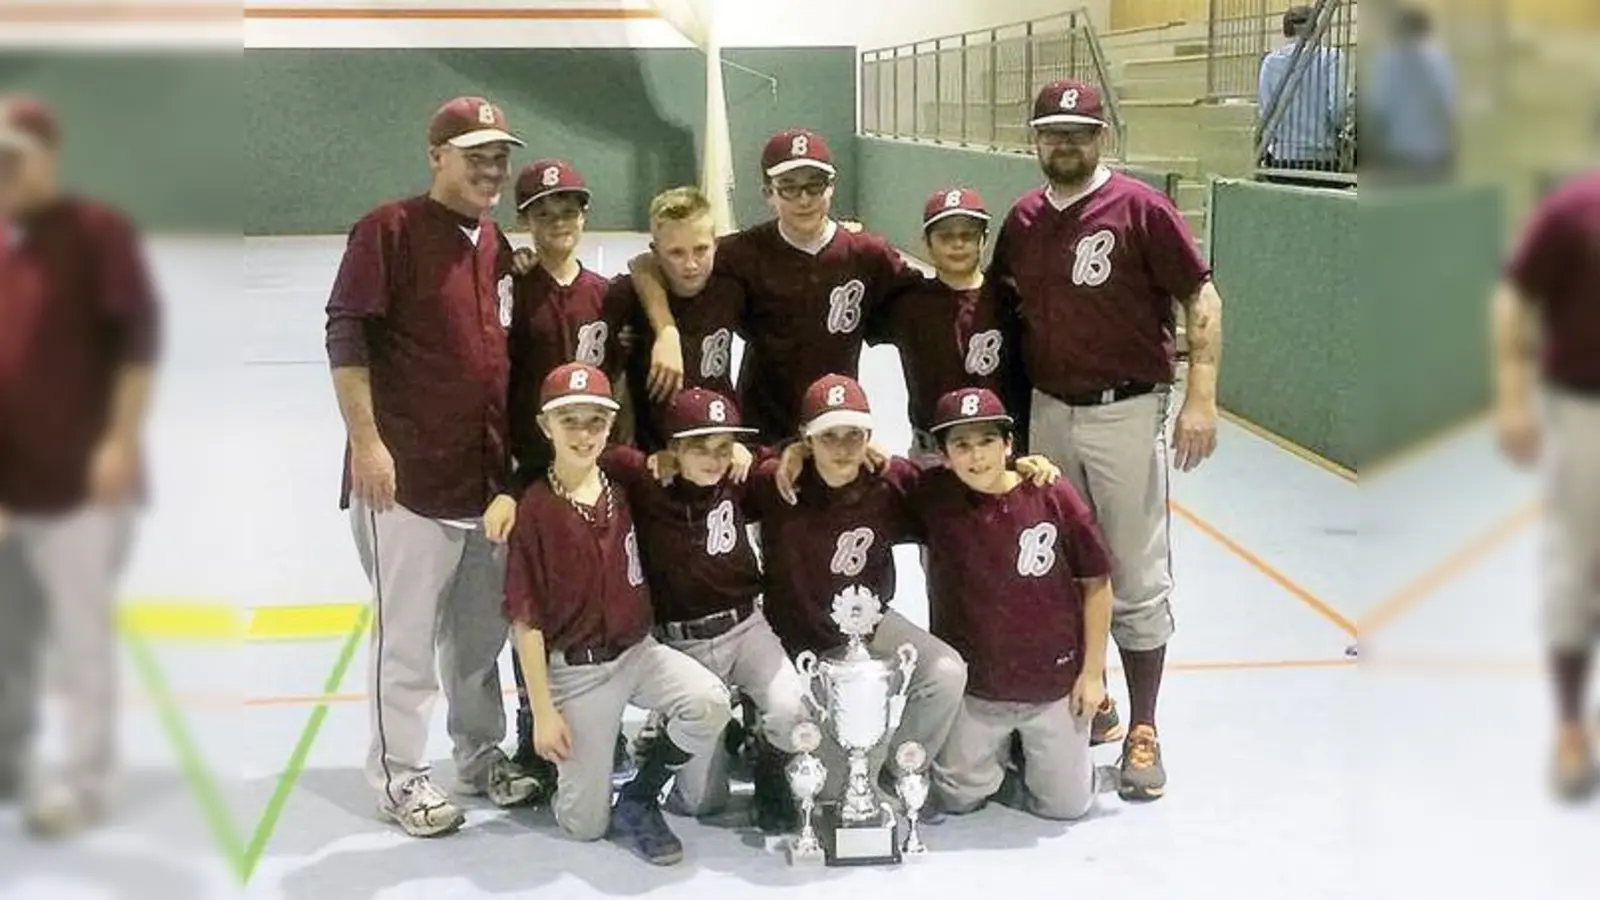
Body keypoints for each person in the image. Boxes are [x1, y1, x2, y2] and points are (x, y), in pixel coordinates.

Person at [989, 78, 1225, 802]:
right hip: (1048, 410)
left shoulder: (1141, 208)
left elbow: (1201, 295)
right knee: (1055, 563)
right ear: (1034, 139)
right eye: (1051, 132)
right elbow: (1000, 310)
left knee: (1133, 568)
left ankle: (1145, 727)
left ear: (1102, 138)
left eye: (1078, 131)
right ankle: (1089, 702)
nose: (1064, 143)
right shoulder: (1024, 218)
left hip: (1125, 409)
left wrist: (1202, 395)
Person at [323, 96, 540, 838]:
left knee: (476, 644)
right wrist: (366, 443)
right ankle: (399, 778)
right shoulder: (389, 230)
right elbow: (346, 336)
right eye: (474, 152)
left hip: (482, 485)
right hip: (405, 482)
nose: (491, 167)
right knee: (407, 643)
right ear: (436, 155)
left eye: (499, 155)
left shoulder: (493, 243)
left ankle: (477, 759)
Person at [0, 94, 161, 838]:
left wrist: (118, 445)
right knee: (10, 635)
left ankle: (86, 779)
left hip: (82, 486)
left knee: (77, 640)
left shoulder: (96, 234)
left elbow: (135, 347)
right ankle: (9, 759)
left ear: (47, 156)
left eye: (13, 158)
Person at [505, 362, 733, 865]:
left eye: (595, 422)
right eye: (570, 421)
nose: (584, 434)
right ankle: (572, 767)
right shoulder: (535, 510)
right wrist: (542, 712)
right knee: (585, 827)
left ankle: (641, 792)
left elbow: (680, 458)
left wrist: (732, 448)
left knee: (709, 702)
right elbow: (525, 621)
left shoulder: (624, 477)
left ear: (610, 426)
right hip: (579, 672)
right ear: (546, 427)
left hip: (640, 652)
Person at [598, 387, 810, 833]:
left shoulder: (736, 476)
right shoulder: (647, 481)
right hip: (682, 640)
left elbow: (785, 459)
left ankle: (769, 771)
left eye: (721, 446)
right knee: (701, 803)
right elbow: (602, 455)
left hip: (745, 625)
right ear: (673, 447)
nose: (713, 459)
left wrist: (781, 453)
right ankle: (676, 729)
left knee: (792, 710)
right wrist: (652, 458)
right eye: (698, 446)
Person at [628, 128, 923, 442]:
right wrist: (666, 331)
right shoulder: (742, 251)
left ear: (831, 188)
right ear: (768, 193)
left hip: (833, 425)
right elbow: (644, 264)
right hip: (761, 426)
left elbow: (926, 301)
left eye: (815, 185)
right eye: (788, 188)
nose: (804, 198)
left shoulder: (867, 254)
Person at [912, 388, 1113, 820]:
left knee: (1067, 808)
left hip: (1050, 686)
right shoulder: (934, 495)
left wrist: (1093, 674)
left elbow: (1097, 583)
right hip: (979, 690)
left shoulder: (1051, 493)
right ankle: (1003, 759)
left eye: (986, 441)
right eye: (961, 445)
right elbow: (867, 469)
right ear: (943, 455)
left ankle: (1053, 761)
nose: (976, 456)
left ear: (1009, 444)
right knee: (957, 800)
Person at [1490, 166, 1600, 801]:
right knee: (1574, 572)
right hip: (1583, 410)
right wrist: (1512, 395)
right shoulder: (1573, 212)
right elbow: (1516, 295)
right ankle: (1570, 725)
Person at [865, 187, 1019, 461]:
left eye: (968, 235)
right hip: (932, 450)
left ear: (984, 240)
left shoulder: (1008, 299)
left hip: (996, 448)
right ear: (927, 241)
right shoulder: (908, 303)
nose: (957, 244)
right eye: (945, 236)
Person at [612, 186, 745, 452]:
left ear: (716, 245)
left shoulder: (732, 290)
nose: (691, 264)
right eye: (676, 253)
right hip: (654, 453)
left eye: (700, 249)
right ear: (656, 251)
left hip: (717, 447)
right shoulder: (628, 297)